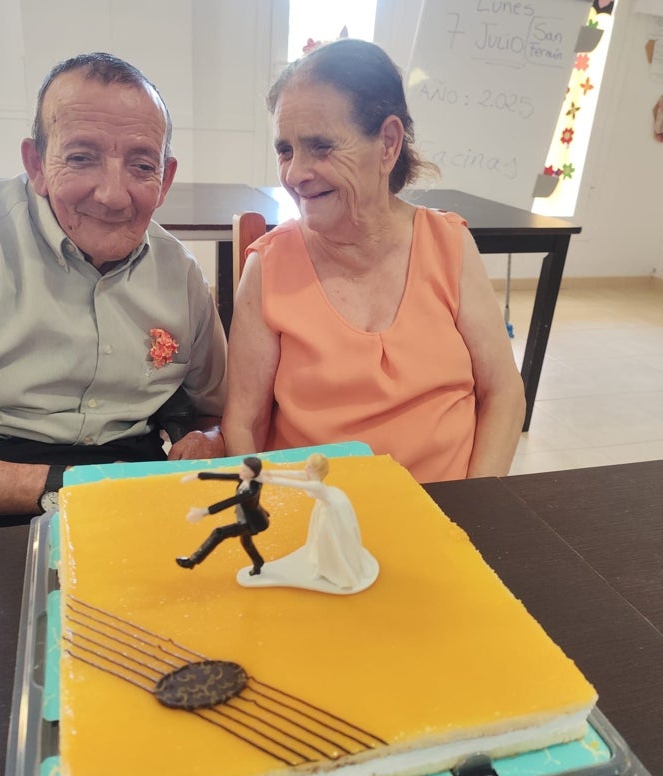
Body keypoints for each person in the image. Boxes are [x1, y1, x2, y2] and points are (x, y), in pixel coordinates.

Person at [0, 53, 227, 536]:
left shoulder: (179, 273)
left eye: (142, 165)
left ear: (166, 180)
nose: (114, 195)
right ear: (35, 164)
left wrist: (211, 439)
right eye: (81, 157)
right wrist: (67, 487)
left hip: (127, 471)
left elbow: (216, 408)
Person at [221, 39, 525, 484]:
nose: (295, 173)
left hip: (446, 510)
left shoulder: (449, 245)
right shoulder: (269, 267)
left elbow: (504, 392)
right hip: (317, 519)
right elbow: (242, 424)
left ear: (387, 143)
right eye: (284, 150)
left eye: (320, 146)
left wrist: (476, 507)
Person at [259, 453, 377, 592]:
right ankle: (323, 565)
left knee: (325, 540)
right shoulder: (309, 475)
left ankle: (329, 569)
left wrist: (267, 479)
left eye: (308, 466)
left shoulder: (316, 485)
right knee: (320, 538)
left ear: (315, 471)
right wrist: (267, 473)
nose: (305, 468)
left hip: (331, 511)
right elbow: (293, 474)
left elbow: (293, 484)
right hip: (325, 505)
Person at [177, 456, 269, 575]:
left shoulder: (252, 490)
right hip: (245, 518)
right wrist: (198, 475)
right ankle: (258, 563)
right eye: (242, 469)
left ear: (253, 473)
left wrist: (204, 512)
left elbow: (230, 501)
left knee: (219, 533)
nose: (241, 472)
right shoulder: (245, 478)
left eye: (245, 470)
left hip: (252, 523)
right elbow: (223, 476)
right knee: (246, 543)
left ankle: (192, 561)